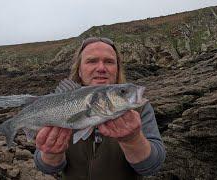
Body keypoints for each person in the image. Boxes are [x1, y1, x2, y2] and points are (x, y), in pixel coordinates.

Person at [34, 37, 166, 180]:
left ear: (117, 69)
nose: (101, 68)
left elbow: (153, 166)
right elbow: (45, 167)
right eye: (92, 61)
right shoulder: (54, 105)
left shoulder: (140, 109)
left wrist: (133, 140)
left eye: (109, 62)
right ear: (79, 70)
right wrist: (51, 155)